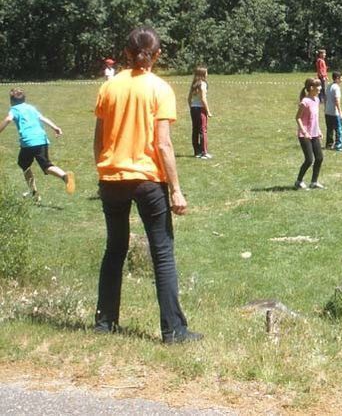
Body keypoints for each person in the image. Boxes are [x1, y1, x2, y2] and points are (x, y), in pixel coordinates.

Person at [93, 27, 201, 344]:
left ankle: (105, 322)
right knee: (162, 253)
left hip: (111, 177)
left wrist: (104, 171)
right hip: (147, 180)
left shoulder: (109, 87)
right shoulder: (159, 89)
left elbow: (98, 141)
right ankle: (174, 330)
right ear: (157, 54)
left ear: (126, 53)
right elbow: (164, 145)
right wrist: (176, 189)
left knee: (115, 249)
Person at [0, 88, 76, 202]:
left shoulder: (14, 109)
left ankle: (35, 193)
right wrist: (55, 127)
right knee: (46, 165)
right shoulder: (31, 108)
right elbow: (42, 118)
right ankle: (64, 176)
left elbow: (8, 119)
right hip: (41, 140)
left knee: (24, 165)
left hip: (28, 142)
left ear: (12, 101)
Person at [295, 78, 324, 190]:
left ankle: (314, 182)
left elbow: (315, 118)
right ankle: (299, 181)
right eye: (318, 86)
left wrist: (319, 130)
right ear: (311, 88)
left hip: (314, 133)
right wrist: (304, 132)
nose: (320, 88)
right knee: (309, 160)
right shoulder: (305, 102)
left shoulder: (316, 100)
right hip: (305, 135)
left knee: (319, 158)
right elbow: (297, 118)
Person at [187, 66, 213, 159]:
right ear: (202, 74)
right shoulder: (203, 84)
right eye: (206, 72)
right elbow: (203, 98)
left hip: (193, 109)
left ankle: (196, 152)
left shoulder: (194, 84)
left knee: (195, 130)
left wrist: (191, 107)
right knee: (203, 130)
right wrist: (208, 111)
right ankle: (204, 152)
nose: (207, 74)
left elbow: (189, 98)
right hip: (200, 109)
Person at [324, 71, 342, 151]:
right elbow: (337, 100)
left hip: (328, 112)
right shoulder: (336, 87)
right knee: (338, 129)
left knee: (329, 129)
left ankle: (329, 144)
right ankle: (338, 145)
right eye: (341, 78)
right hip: (335, 113)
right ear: (337, 78)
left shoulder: (329, 86)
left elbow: (325, 98)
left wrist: (325, 108)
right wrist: (340, 112)